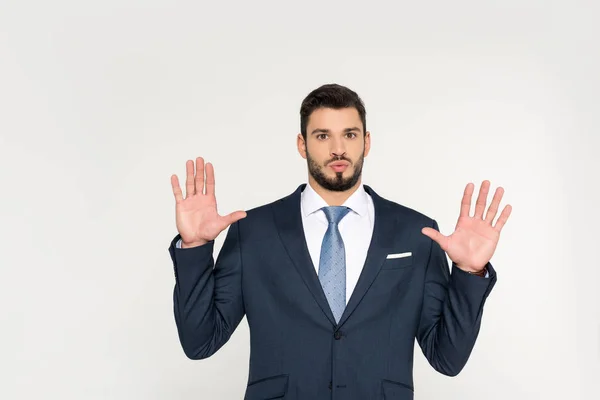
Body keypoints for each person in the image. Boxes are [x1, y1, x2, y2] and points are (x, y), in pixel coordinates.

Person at [167, 84, 512, 400]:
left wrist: (468, 271)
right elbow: (199, 342)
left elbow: (446, 358)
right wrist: (195, 249)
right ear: (302, 145)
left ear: (367, 141)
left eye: (349, 134)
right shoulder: (253, 232)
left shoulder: (416, 234)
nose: (337, 149)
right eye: (322, 136)